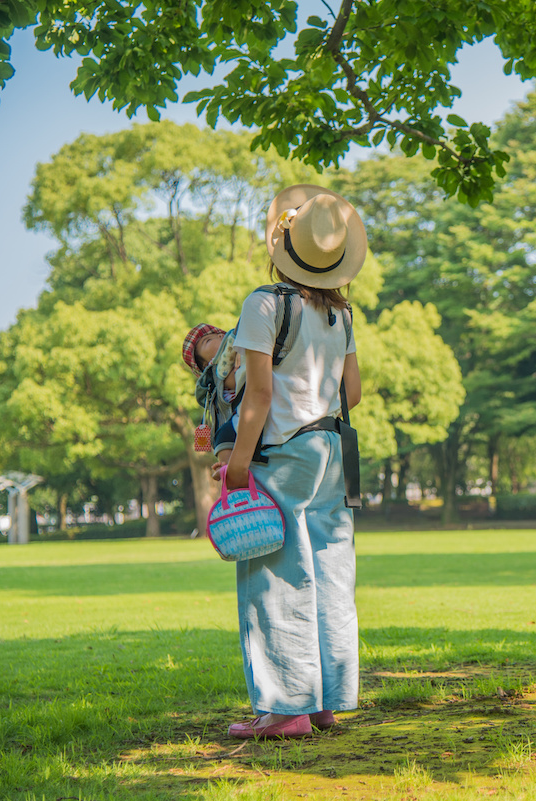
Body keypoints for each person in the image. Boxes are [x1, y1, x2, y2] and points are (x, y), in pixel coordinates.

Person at [213, 184, 366, 739]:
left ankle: (286, 709)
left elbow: (258, 397)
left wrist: (236, 465)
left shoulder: (265, 304)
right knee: (329, 572)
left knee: (275, 578)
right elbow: (355, 391)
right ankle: (325, 700)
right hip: (333, 451)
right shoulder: (341, 315)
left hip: (284, 451)